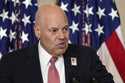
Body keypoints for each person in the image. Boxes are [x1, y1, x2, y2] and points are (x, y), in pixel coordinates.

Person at [0, 4, 114, 83]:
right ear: (37, 31)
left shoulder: (87, 57)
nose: (62, 36)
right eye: (54, 30)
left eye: (65, 29)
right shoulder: (11, 63)